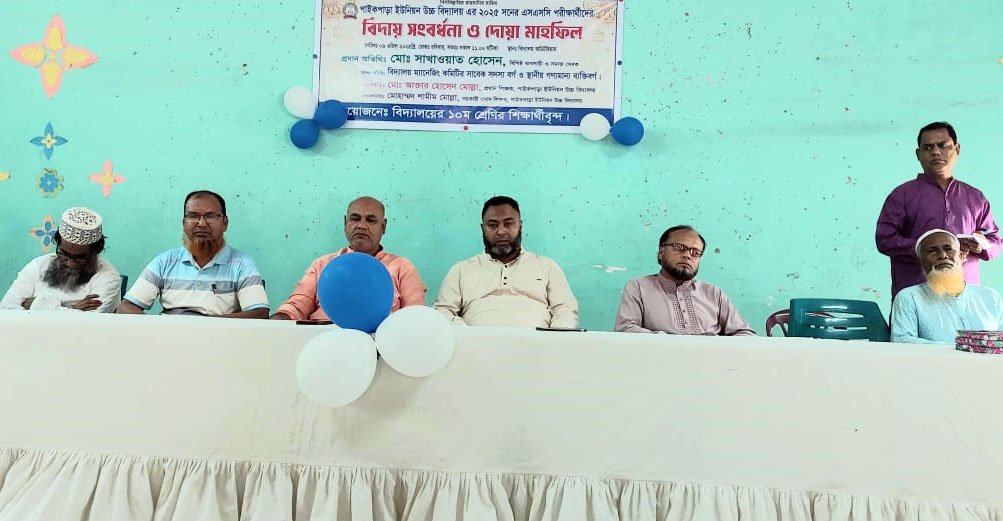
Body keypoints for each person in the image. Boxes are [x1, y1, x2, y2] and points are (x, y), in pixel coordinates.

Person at [876, 122, 1000, 299]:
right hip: (917, 296)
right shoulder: (902, 195)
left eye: (943, 145)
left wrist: (980, 246)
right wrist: (924, 247)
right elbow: (885, 240)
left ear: (957, 149)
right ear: (918, 154)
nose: (935, 152)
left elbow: (995, 241)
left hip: (966, 297)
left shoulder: (975, 197)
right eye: (928, 147)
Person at [433, 195, 578, 328]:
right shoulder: (461, 270)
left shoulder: (546, 266)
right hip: (475, 345)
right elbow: (443, 311)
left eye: (508, 224)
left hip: (537, 345)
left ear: (520, 226)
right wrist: (468, 335)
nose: (501, 231)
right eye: (493, 225)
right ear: (482, 228)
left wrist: (552, 340)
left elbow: (565, 310)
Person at [118, 190, 269, 318]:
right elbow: (126, 307)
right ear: (184, 223)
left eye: (210, 216)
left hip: (217, 338)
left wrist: (203, 328)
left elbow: (259, 313)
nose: (201, 223)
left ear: (225, 223)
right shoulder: (165, 261)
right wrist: (159, 329)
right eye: (193, 216)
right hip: (169, 337)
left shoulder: (241, 263)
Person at [272, 196, 426, 321]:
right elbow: (297, 305)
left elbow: (415, 317)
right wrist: (279, 319)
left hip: (379, 343)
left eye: (371, 220)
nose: (361, 226)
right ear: (345, 223)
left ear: (383, 226)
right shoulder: (322, 265)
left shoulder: (402, 267)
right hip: (324, 337)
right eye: (355, 219)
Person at [614, 225, 755, 335]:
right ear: (661, 252)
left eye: (695, 252)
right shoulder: (638, 287)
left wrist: (715, 345)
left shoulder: (713, 293)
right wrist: (675, 342)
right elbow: (625, 330)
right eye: (680, 248)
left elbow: (745, 334)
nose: (688, 255)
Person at [891, 229, 1003, 344]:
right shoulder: (909, 298)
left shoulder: (991, 297)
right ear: (921, 261)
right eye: (933, 251)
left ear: (960, 256)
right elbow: (902, 340)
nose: (943, 256)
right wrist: (959, 349)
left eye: (949, 249)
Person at [1, 207, 121, 312]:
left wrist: (34, 304)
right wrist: (73, 309)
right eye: (64, 254)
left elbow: (88, 322)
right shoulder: (38, 265)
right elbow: (6, 308)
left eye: (80, 257)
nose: (71, 263)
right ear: (57, 244)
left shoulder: (109, 277)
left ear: (96, 252)